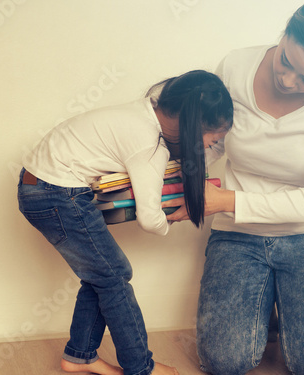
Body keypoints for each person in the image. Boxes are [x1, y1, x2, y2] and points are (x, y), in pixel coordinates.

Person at [164, 0, 304, 374]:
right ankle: (271, 303)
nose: (288, 81)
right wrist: (173, 183)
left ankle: (279, 303)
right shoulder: (236, 65)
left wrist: (222, 199)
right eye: (286, 62)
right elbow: (215, 142)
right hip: (237, 234)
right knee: (224, 362)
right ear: (287, 31)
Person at [17, 70, 233, 375]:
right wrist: (173, 217)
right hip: (55, 193)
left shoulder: (146, 111)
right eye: (214, 136)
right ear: (190, 124)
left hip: (42, 186)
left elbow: (194, 152)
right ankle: (140, 367)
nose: (215, 144)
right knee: (115, 276)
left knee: (104, 275)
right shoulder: (148, 144)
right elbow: (149, 218)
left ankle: (80, 356)